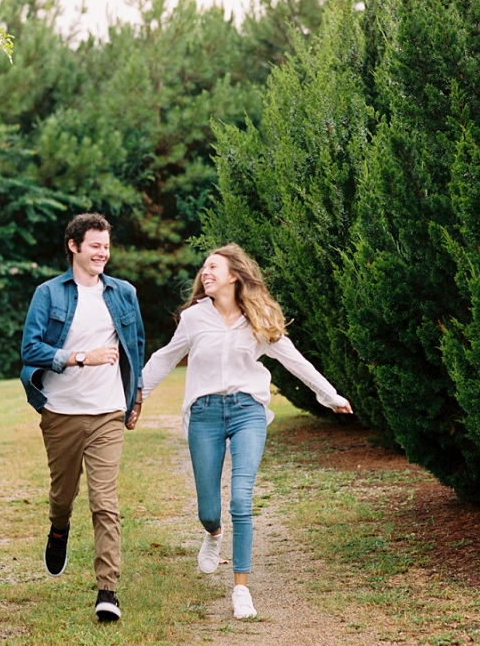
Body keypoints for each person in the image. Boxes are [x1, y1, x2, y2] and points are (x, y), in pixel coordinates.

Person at [133, 244, 351, 620]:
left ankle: (241, 589)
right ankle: (213, 533)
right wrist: (136, 397)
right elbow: (164, 358)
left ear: (234, 275)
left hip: (247, 411)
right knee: (208, 510)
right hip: (204, 415)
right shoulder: (194, 318)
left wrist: (329, 395)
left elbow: (294, 359)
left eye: (213, 267)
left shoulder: (258, 319)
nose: (205, 272)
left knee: (241, 498)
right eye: (204, 268)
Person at [20, 213, 144, 623]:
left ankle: (108, 591)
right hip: (62, 413)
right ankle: (59, 529)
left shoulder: (123, 293)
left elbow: (135, 346)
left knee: (105, 501)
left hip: (107, 410)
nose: (102, 253)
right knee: (63, 496)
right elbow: (30, 349)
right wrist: (78, 358)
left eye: (106, 246)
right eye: (95, 246)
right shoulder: (48, 294)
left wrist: (135, 396)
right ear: (73, 247)